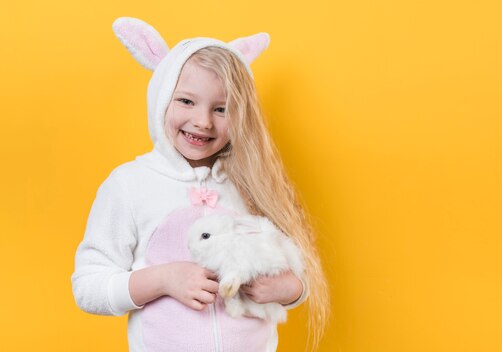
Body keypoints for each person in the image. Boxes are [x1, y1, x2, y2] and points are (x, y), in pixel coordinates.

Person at [71, 17, 329, 352]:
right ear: (162, 97)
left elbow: (296, 274)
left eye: (222, 108)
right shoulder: (129, 185)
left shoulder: (253, 182)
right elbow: (89, 288)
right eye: (186, 101)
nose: (203, 121)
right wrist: (164, 279)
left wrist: (290, 289)